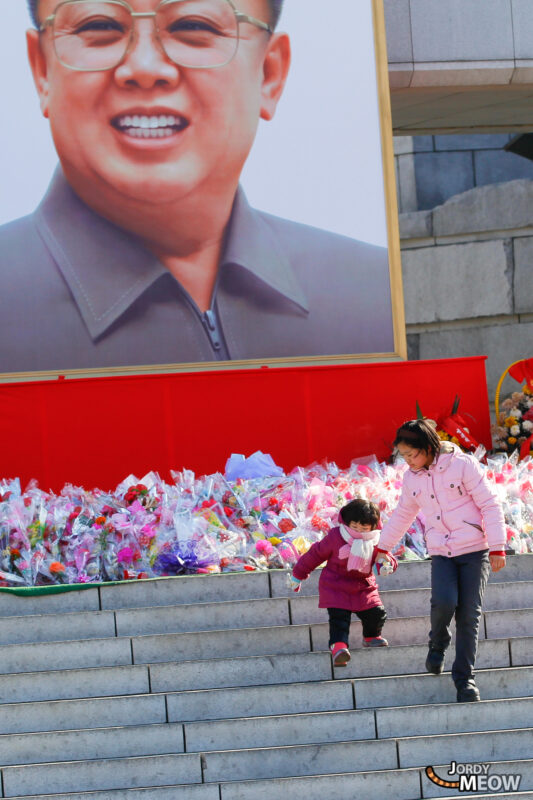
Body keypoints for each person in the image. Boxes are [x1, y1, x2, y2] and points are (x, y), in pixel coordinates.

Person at [0, 0, 394, 374]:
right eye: (99, 26)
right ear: (41, 69)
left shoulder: (372, 295)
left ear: (269, 74)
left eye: (193, 26)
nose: (144, 67)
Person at [375, 419, 506, 703]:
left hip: (474, 551)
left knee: (469, 615)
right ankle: (438, 643)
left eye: (412, 454)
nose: (408, 461)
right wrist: (382, 547)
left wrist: (497, 546)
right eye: (404, 456)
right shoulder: (412, 478)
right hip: (442, 552)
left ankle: (465, 680)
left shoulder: (462, 464)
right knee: (444, 602)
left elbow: (489, 504)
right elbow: (403, 513)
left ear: (428, 447)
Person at [290, 498, 395, 667]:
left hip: (364, 586)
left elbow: (386, 557)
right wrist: (298, 575)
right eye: (354, 526)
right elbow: (314, 555)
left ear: (373, 527)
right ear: (346, 522)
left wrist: (386, 565)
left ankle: (371, 636)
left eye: (364, 528)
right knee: (339, 619)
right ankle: (339, 648)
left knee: (376, 613)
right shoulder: (336, 537)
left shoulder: (376, 541)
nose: (358, 531)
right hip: (335, 585)